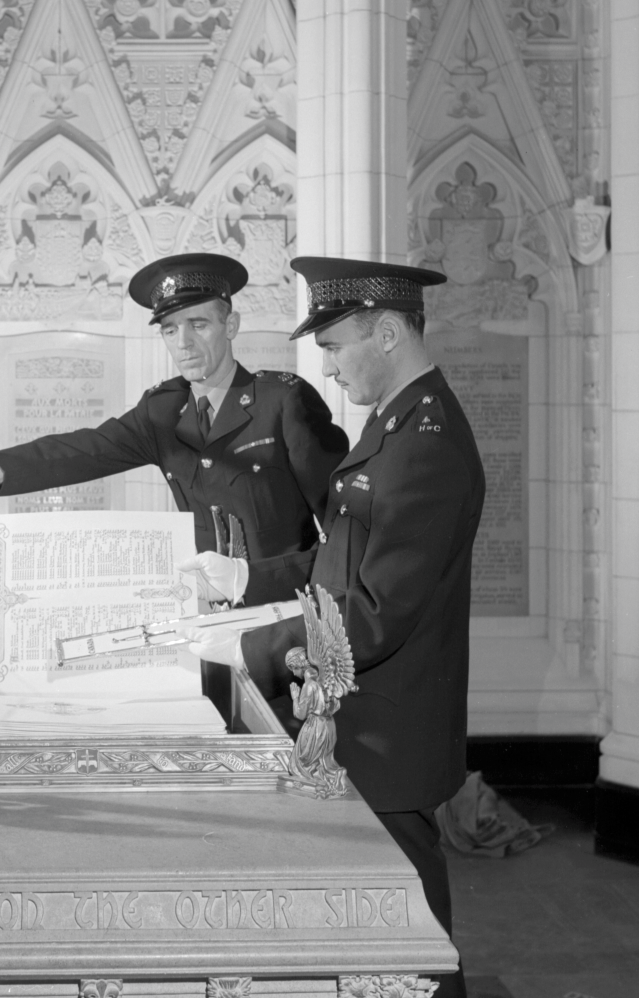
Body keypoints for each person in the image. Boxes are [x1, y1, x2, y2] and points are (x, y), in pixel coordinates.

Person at [188, 256, 485, 998]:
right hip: (362, 718)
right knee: (378, 928)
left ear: (386, 333)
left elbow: (375, 616)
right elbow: (342, 558)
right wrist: (248, 582)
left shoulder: (426, 444)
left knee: (412, 935)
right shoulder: (394, 424)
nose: (330, 368)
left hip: (388, 729)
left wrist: (249, 648)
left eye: (335, 347)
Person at [0, 253, 350, 602]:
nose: (184, 343)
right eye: (170, 329)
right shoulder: (163, 410)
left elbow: (344, 526)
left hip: (282, 614)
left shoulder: (282, 401)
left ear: (230, 325)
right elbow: (84, 450)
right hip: (204, 615)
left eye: (199, 324)